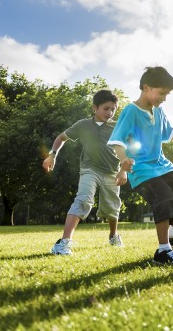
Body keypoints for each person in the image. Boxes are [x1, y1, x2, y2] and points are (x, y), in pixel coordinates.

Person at [107, 66, 173, 265]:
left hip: (163, 165)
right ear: (146, 87)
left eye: (167, 94)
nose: (164, 98)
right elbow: (117, 140)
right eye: (162, 93)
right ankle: (163, 250)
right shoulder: (131, 111)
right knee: (165, 199)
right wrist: (123, 159)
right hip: (142, 169)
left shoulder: (158, 111)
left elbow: (167, 134)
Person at [43, 89, 127, 255]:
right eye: (106, 108)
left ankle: (113, 235)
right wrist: (52, 155)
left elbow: (124, 150)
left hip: (112, 172)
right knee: (83, 200)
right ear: (95, 108)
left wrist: (123, 170)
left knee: (111, 208)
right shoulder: (83, 125)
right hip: (90, 169)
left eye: (113, 109)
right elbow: (61, 138)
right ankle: (64, 243)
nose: (110, 112)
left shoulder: (117, 127)